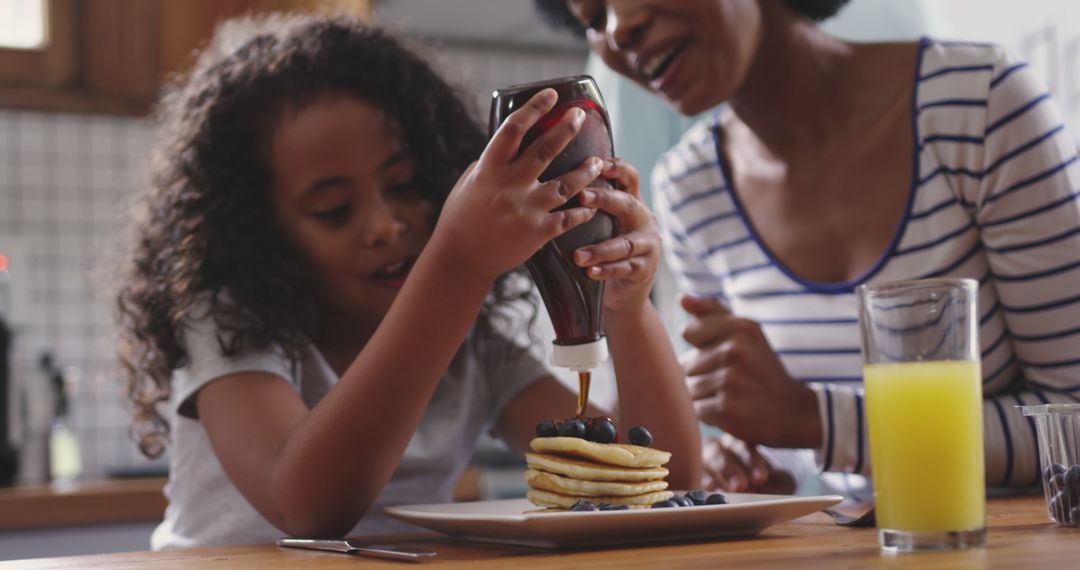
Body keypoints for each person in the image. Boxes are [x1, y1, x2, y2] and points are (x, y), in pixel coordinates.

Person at [114, 14, 701, 548]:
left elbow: (658, 486)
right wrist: (456, 262)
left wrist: (626, 309)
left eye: (404, 187)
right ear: (256, 235)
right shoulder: (226, 323)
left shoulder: (473, 349)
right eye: (333, 210)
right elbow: (307, 507)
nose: (385, 226)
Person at [536, 0, 1080, 496]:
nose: (619, 26)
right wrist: (762, 463)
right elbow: (820, 458)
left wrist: (811, 419)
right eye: (592, 18)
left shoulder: (981, 107)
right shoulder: (691, 187)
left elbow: (1072, 426)